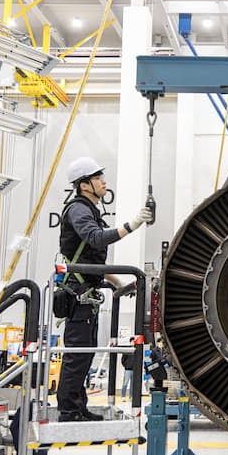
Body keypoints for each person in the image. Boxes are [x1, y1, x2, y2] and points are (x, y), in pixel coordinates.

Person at [56, 156, 153, 422]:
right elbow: (95, 239)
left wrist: (117, 282)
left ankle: (78, 407)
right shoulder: (78, 210)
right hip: (78, 296)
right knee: (77, 356)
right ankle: (68, 411)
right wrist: (132, 225)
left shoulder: (89, 209)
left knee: (85, 354)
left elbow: (90, 261)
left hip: (85, 295)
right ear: (85, 185)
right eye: (98, 178)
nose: (104, 182)